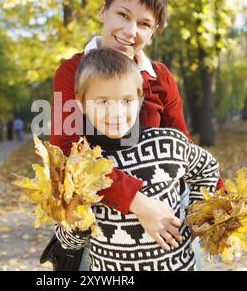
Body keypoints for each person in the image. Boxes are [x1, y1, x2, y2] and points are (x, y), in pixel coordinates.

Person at [44, 0, 224, 270]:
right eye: (123, 15)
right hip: (104, 232)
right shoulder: (73, 71)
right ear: (104, 10)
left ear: (154, 30)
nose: (130, 30)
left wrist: (218, 203)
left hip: (166, 228)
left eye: (144, 24)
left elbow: (183, 146)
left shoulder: (159, 78)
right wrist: (139, 204)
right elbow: (64, 156)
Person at [55, 48, 219, 271]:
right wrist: (77, 223)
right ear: (81, 103)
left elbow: (207, 168)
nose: (116, 112)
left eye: (126, 100)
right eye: (102, 102)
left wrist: (196, 216)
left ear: (140, 98)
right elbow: (67, 242)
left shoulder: (168, 143)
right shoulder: (83, 167)